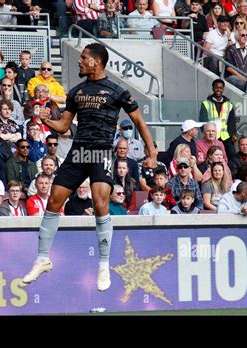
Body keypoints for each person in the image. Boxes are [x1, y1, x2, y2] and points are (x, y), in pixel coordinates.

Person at [22, 43, 157, 292]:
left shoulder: (117, 91)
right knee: (54, 200)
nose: (80, 62)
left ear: (96, 61)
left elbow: (138, 120)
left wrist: (151, 151)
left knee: (99, 202)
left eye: (84, 58)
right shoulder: (76, 91)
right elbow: (64, 126)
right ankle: (42, 259)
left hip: (101, 152)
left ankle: (103, 264)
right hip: (78, 151)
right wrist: (45, 120)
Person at [199, 79, 237, 159]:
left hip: (225, 136)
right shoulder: (206, 103)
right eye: (216, 88)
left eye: (220, 88)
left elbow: (231, 121)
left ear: (223, 89)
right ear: (213, 88)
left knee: (232, 156)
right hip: (212, 136)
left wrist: (233, 134)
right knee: (211, 156)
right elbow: (203, 121)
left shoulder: (228, 104)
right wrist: (206, 134)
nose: (218, 90)